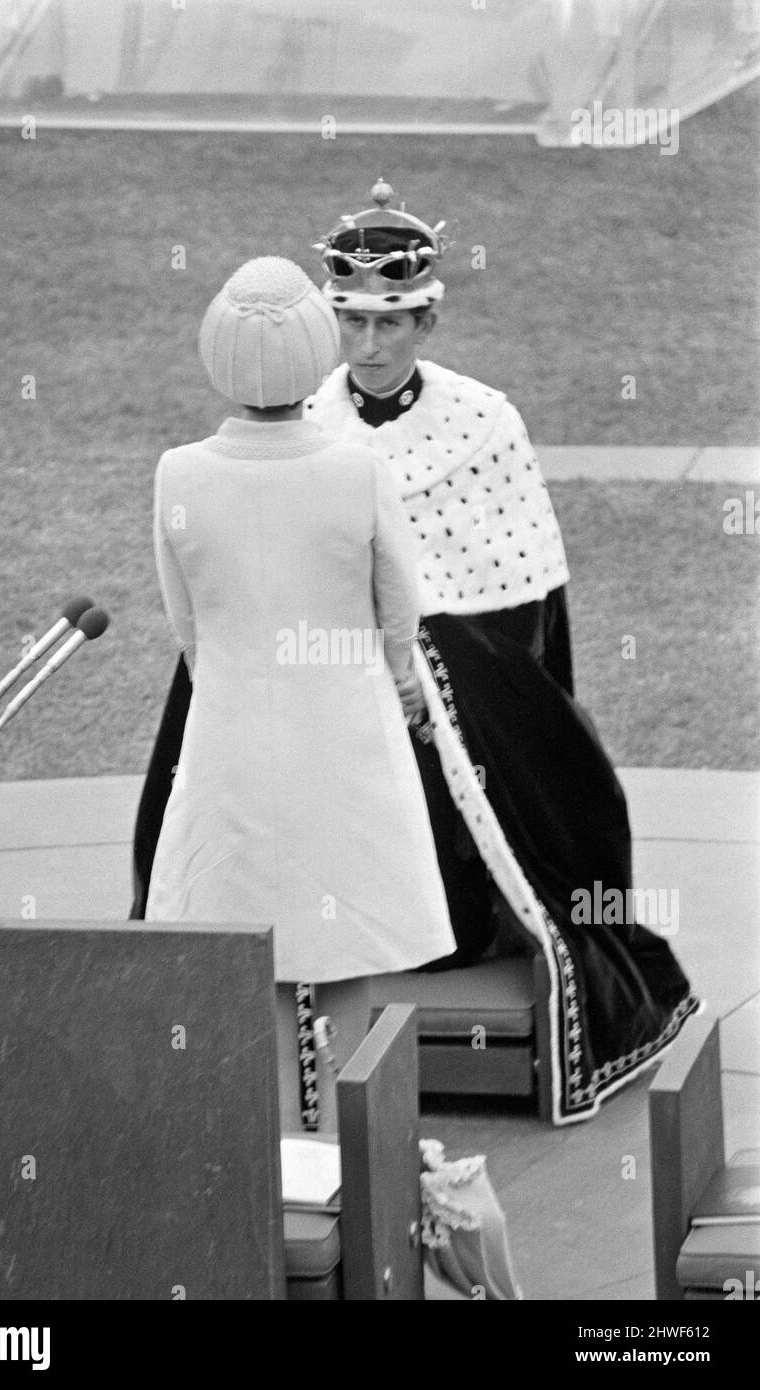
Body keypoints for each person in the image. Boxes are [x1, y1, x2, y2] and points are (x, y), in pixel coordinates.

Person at [133, 186, 699, 1125]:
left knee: (532, 761)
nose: (368, 346)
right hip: (326, 677)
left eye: (390, 322)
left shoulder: (485, 421)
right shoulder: (303, 418)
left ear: (425, 318)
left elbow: (520, 603)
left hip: (437, 655)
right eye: (350, 321)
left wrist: (427, 671)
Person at [145, 255, 455, 1033]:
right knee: (347, 943)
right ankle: (351, 1145)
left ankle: (276, 1141)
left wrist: (230, 677)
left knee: (249, 946)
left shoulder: (177, 473)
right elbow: (398, 610)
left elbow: (186, 625)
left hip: (229, 732)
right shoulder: (358, 470)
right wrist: (391, 678)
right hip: (346, 733)